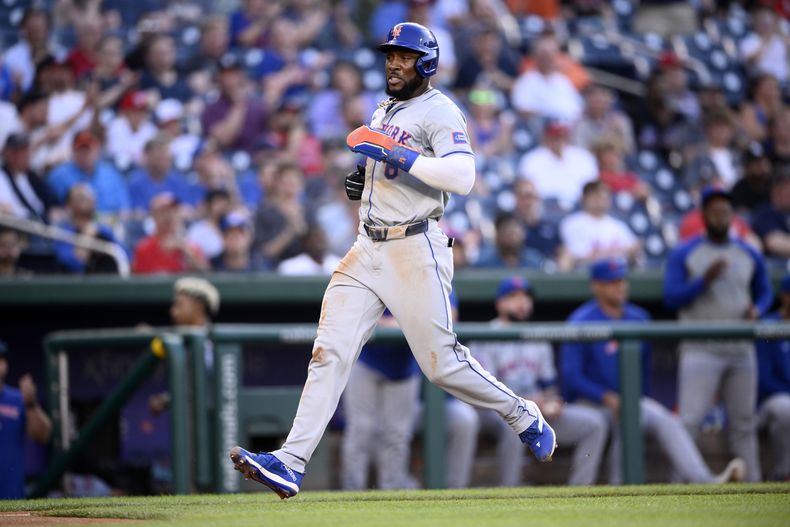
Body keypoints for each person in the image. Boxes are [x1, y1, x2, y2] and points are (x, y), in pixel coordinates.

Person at [230, 22, 556, 499]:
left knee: (441, 365)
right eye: (390, 55)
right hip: (367, 246)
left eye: (404, 56)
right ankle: (290, 462)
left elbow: (462, 177)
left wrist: (397, 155)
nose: (394, 64)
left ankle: (522, 413)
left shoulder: (441, 109)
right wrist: (363, 180)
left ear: (427, 63)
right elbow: (383, 166)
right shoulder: (385, 108)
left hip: (414, 246)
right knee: (329, 352)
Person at [562, 258, 747, 485]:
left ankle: (706, 481)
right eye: (612, 282)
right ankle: (606, 488)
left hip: (628, 401)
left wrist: (633, 400)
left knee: (666, 420)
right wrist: (606, 397)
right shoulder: (580, 321)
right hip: (590, 402)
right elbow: (571, 377)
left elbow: (643, 371)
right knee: (620, 418)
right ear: (596, 286)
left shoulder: (639, 318)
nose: (620, 287)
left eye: (622, 281)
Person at [664, 186, 774, 482]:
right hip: (700, 347)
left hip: (741, 348)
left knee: (744, 423)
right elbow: (670, 297)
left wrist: (759, 309)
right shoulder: (685, 252)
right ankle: (674, 488)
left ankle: (754, 486)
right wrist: (704, 280)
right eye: (713, 212)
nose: (719, 217)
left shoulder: (748, 252)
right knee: (689, 422)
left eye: (724, 212)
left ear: (732, 215)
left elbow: (766, 292)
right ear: (704, 215)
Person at [470, 276, 608, 486]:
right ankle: (510, 491)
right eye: (513, 297)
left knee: (594, 424)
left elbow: (549, 387)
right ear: (499, 304)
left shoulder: (538, 337)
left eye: (526, 297)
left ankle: (581, 489)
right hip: (495, 411)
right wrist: (529, 402)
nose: (522, 302)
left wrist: (552, 403)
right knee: (513, 423)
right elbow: (485, 392)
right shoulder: (485, 336)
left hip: (535, 408)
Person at [0, 340, 52, 499]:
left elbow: (43, 435)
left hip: (10, 494)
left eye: (1, 359)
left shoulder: (18, 399)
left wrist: (30, 404)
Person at [559, 180, 641, 269]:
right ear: (584, 198)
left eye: (604, 196)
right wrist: (621, 251)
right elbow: (577, 258)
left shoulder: (618, 225)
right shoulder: (572, 224)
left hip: (619, 274)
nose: (601, 200)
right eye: (596, 196)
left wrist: (632, 253)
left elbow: (634, 252)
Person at [757, 274, 790, 481]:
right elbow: (764, 380)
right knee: (786, 408)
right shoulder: (769, 326)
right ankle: (784, 474)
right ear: (785, 296)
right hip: (768, 403)